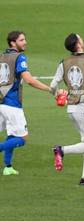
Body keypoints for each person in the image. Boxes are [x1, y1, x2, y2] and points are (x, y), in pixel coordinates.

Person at [50, 33, 84, 184]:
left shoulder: (64, 62)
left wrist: (57, 94)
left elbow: (53, 85)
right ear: (78, 43)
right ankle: (61, 150)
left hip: (72, 109)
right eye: (80, 38)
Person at [0, 30, 54, 176]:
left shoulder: (1, 56)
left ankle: (8, 166)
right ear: (13, 43)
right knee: (22, 138)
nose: (25, 42)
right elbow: (29, 80)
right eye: (21, 40)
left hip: (1, 102)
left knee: (12, 134)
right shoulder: (19, 57)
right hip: (12, 104)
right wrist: (50, 89)